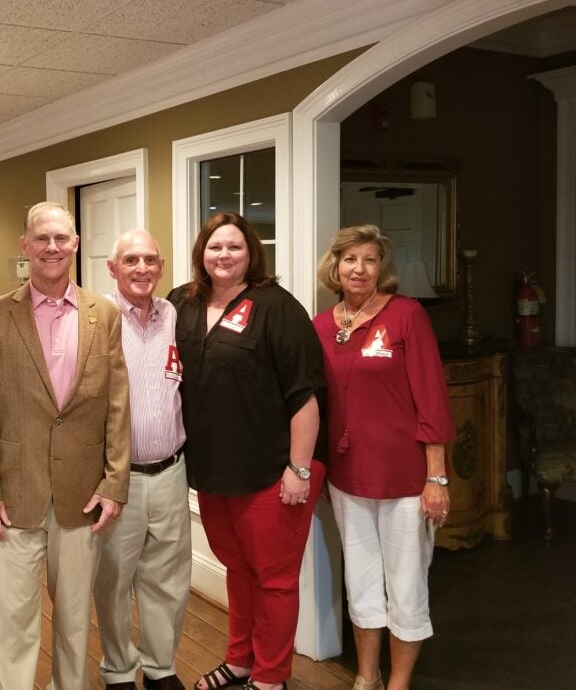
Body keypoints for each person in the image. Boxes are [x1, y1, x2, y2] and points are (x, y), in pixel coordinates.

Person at [0, 200, 131, 690]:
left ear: (75, 244)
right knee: (9, 621)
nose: (52, 247)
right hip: (11, 495)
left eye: (62, 238)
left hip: (83, 496)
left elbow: (118, 406)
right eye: (42, 238)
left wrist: (116, 482)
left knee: (76, 623)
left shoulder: (105, 314)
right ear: (25, 246)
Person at [167, 212, 325, 690]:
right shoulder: (183, 302)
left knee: (274, 579)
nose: (224, 256)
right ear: (202, 253)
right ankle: (240, 661)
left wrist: (298, 468)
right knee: (238, 570)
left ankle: (271, 677)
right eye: (215, 247)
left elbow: (306, 394)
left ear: (251, 252)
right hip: (213, 472)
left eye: (234, 247)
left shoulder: (277, 307)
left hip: (272, 470)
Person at [313, 225, 454, 690]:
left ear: (381, 268)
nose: (359, 268)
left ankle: (398, 682)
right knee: (362, 581)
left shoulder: (405, 315)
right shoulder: (321, 325)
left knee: (407, 583)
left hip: (404, 478)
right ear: (335, 266)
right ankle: (366, 675)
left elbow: (431, 398)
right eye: (350, 259)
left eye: (370, 260)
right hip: (347, 476)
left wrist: (437, 477)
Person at [94, 229, 191, 690]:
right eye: (130, 260)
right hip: (118, 478)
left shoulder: (176, 316)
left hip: (171, 470)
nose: (142, 269)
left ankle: (159, 666)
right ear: (112, 268)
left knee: (168, 578)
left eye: (150, 260)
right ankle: (117, 669)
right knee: (113, 579)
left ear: (161, 266)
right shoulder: (96, 320)